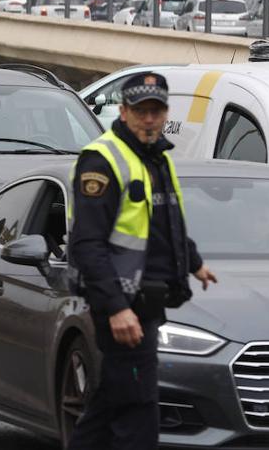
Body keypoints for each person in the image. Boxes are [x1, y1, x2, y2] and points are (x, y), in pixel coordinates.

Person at [67, 71, 217, 450]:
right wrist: (117, 308)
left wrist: (194, 261)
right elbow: (87, 245)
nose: (149, 119)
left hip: (146, 303)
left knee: (109, 405)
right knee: (138, 413)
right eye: (141, 111)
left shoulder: (155, 157)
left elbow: (164, 224)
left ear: (166, 113)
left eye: (156, 110)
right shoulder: (102, 161)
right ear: (123, 111)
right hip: (123, 305)